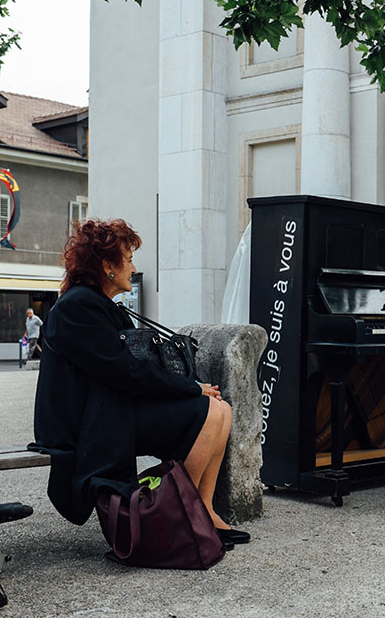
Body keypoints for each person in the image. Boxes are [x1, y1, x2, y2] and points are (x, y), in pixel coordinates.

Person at [30, 219, 249, 547]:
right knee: (206, 410)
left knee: (222, 410)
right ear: (107, 265)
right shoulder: (77, 307)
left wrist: (193, 388)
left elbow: (133, 370)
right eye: (128, 258)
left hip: (114, 410)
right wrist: (191, 388)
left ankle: (202, 510)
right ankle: (174, 516)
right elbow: (126, 371)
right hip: (86, 424)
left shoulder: (105, 308)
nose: (133, 268)